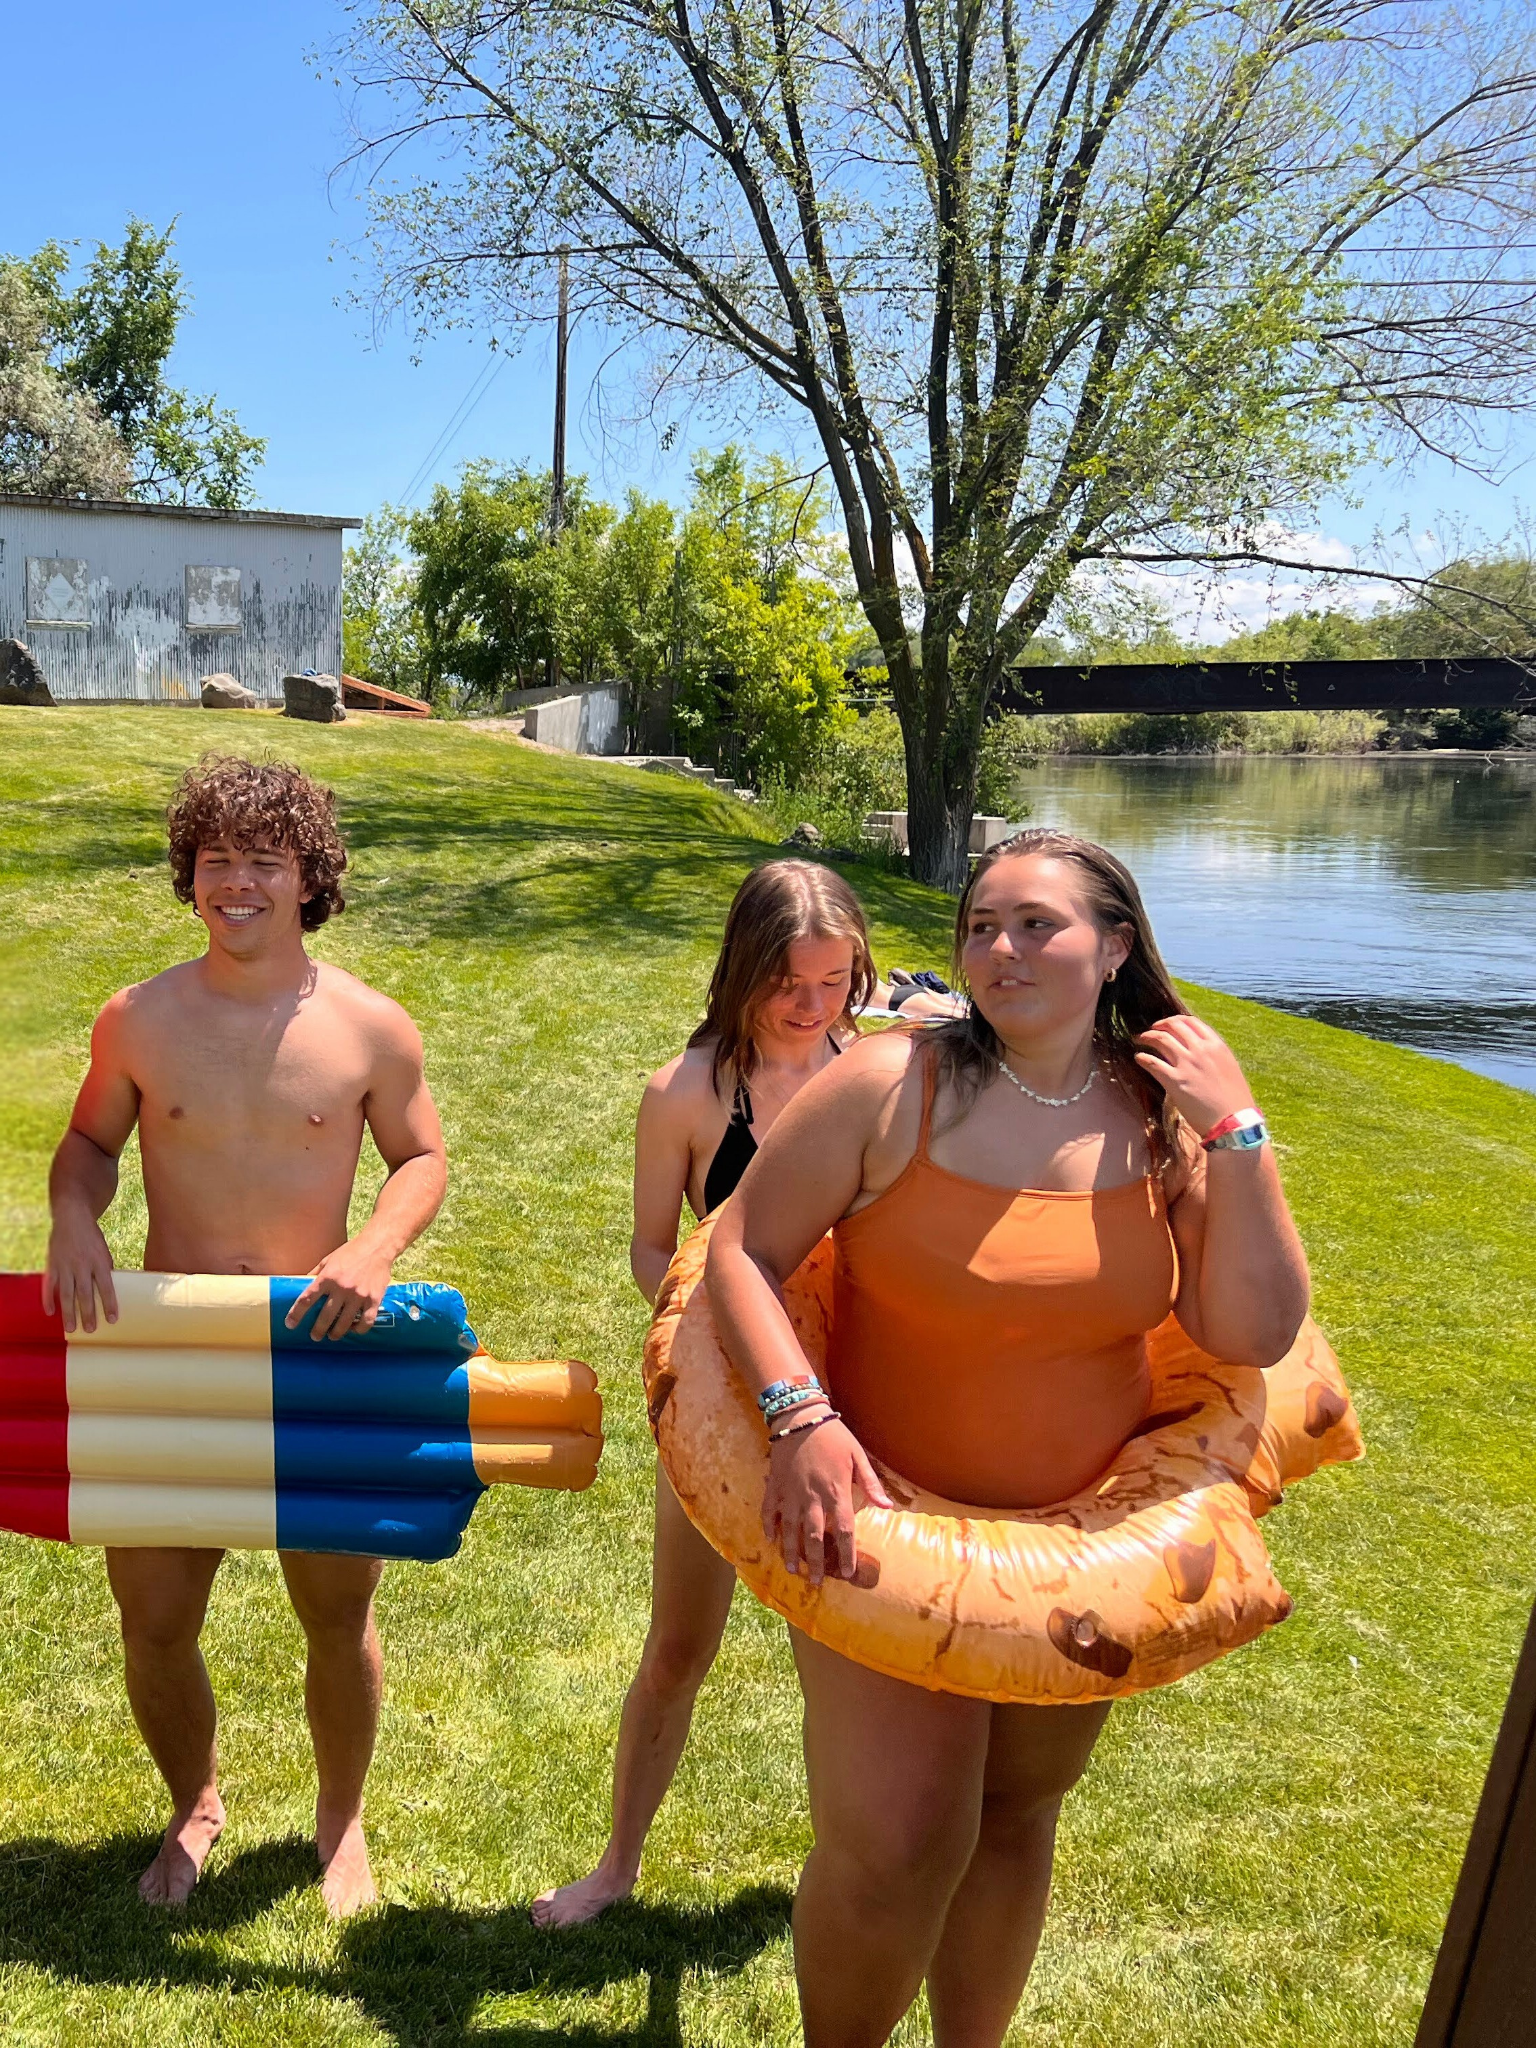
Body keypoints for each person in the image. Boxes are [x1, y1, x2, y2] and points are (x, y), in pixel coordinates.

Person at [707, 827, 1311, 2048]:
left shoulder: (1160, 1119)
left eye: (1038, 922)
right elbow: (740, 1249)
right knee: (898, 1843)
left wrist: (1238, 1129)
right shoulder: (891, 1083)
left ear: (1117, 944)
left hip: (1079, 1546)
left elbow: (1250, 1326)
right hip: (878, 1522)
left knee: (1015, 1813)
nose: (1000, 946)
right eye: (982, 923)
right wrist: (799, 1415)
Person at [42, 753, 448, 1916]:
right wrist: (77, 1214)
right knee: (156, 1617)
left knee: (337, 1608)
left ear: (309, 875)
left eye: (265, 859)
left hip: (317, 1351)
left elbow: (422, 1156)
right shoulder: (137, 1019)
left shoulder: (370, 1026)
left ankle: (341, 1817)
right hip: (172, 1354)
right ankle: (194, 1802)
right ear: (189, 873)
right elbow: (89, 1146)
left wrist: (371, 1250)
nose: (238, 881)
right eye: (216, 857)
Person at [532, 858, 878, 1927]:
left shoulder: (869, 1073)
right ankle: (617, 1866)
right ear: (742, 969)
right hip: (724, 1398)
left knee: (852, 1657)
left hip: (853, 1396)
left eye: (834, 981)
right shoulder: (684, 1093)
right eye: (791, 983)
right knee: (680, 1646)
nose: (813, 1004)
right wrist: (709, 1309)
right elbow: (648, 1247)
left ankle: (856, 1869)